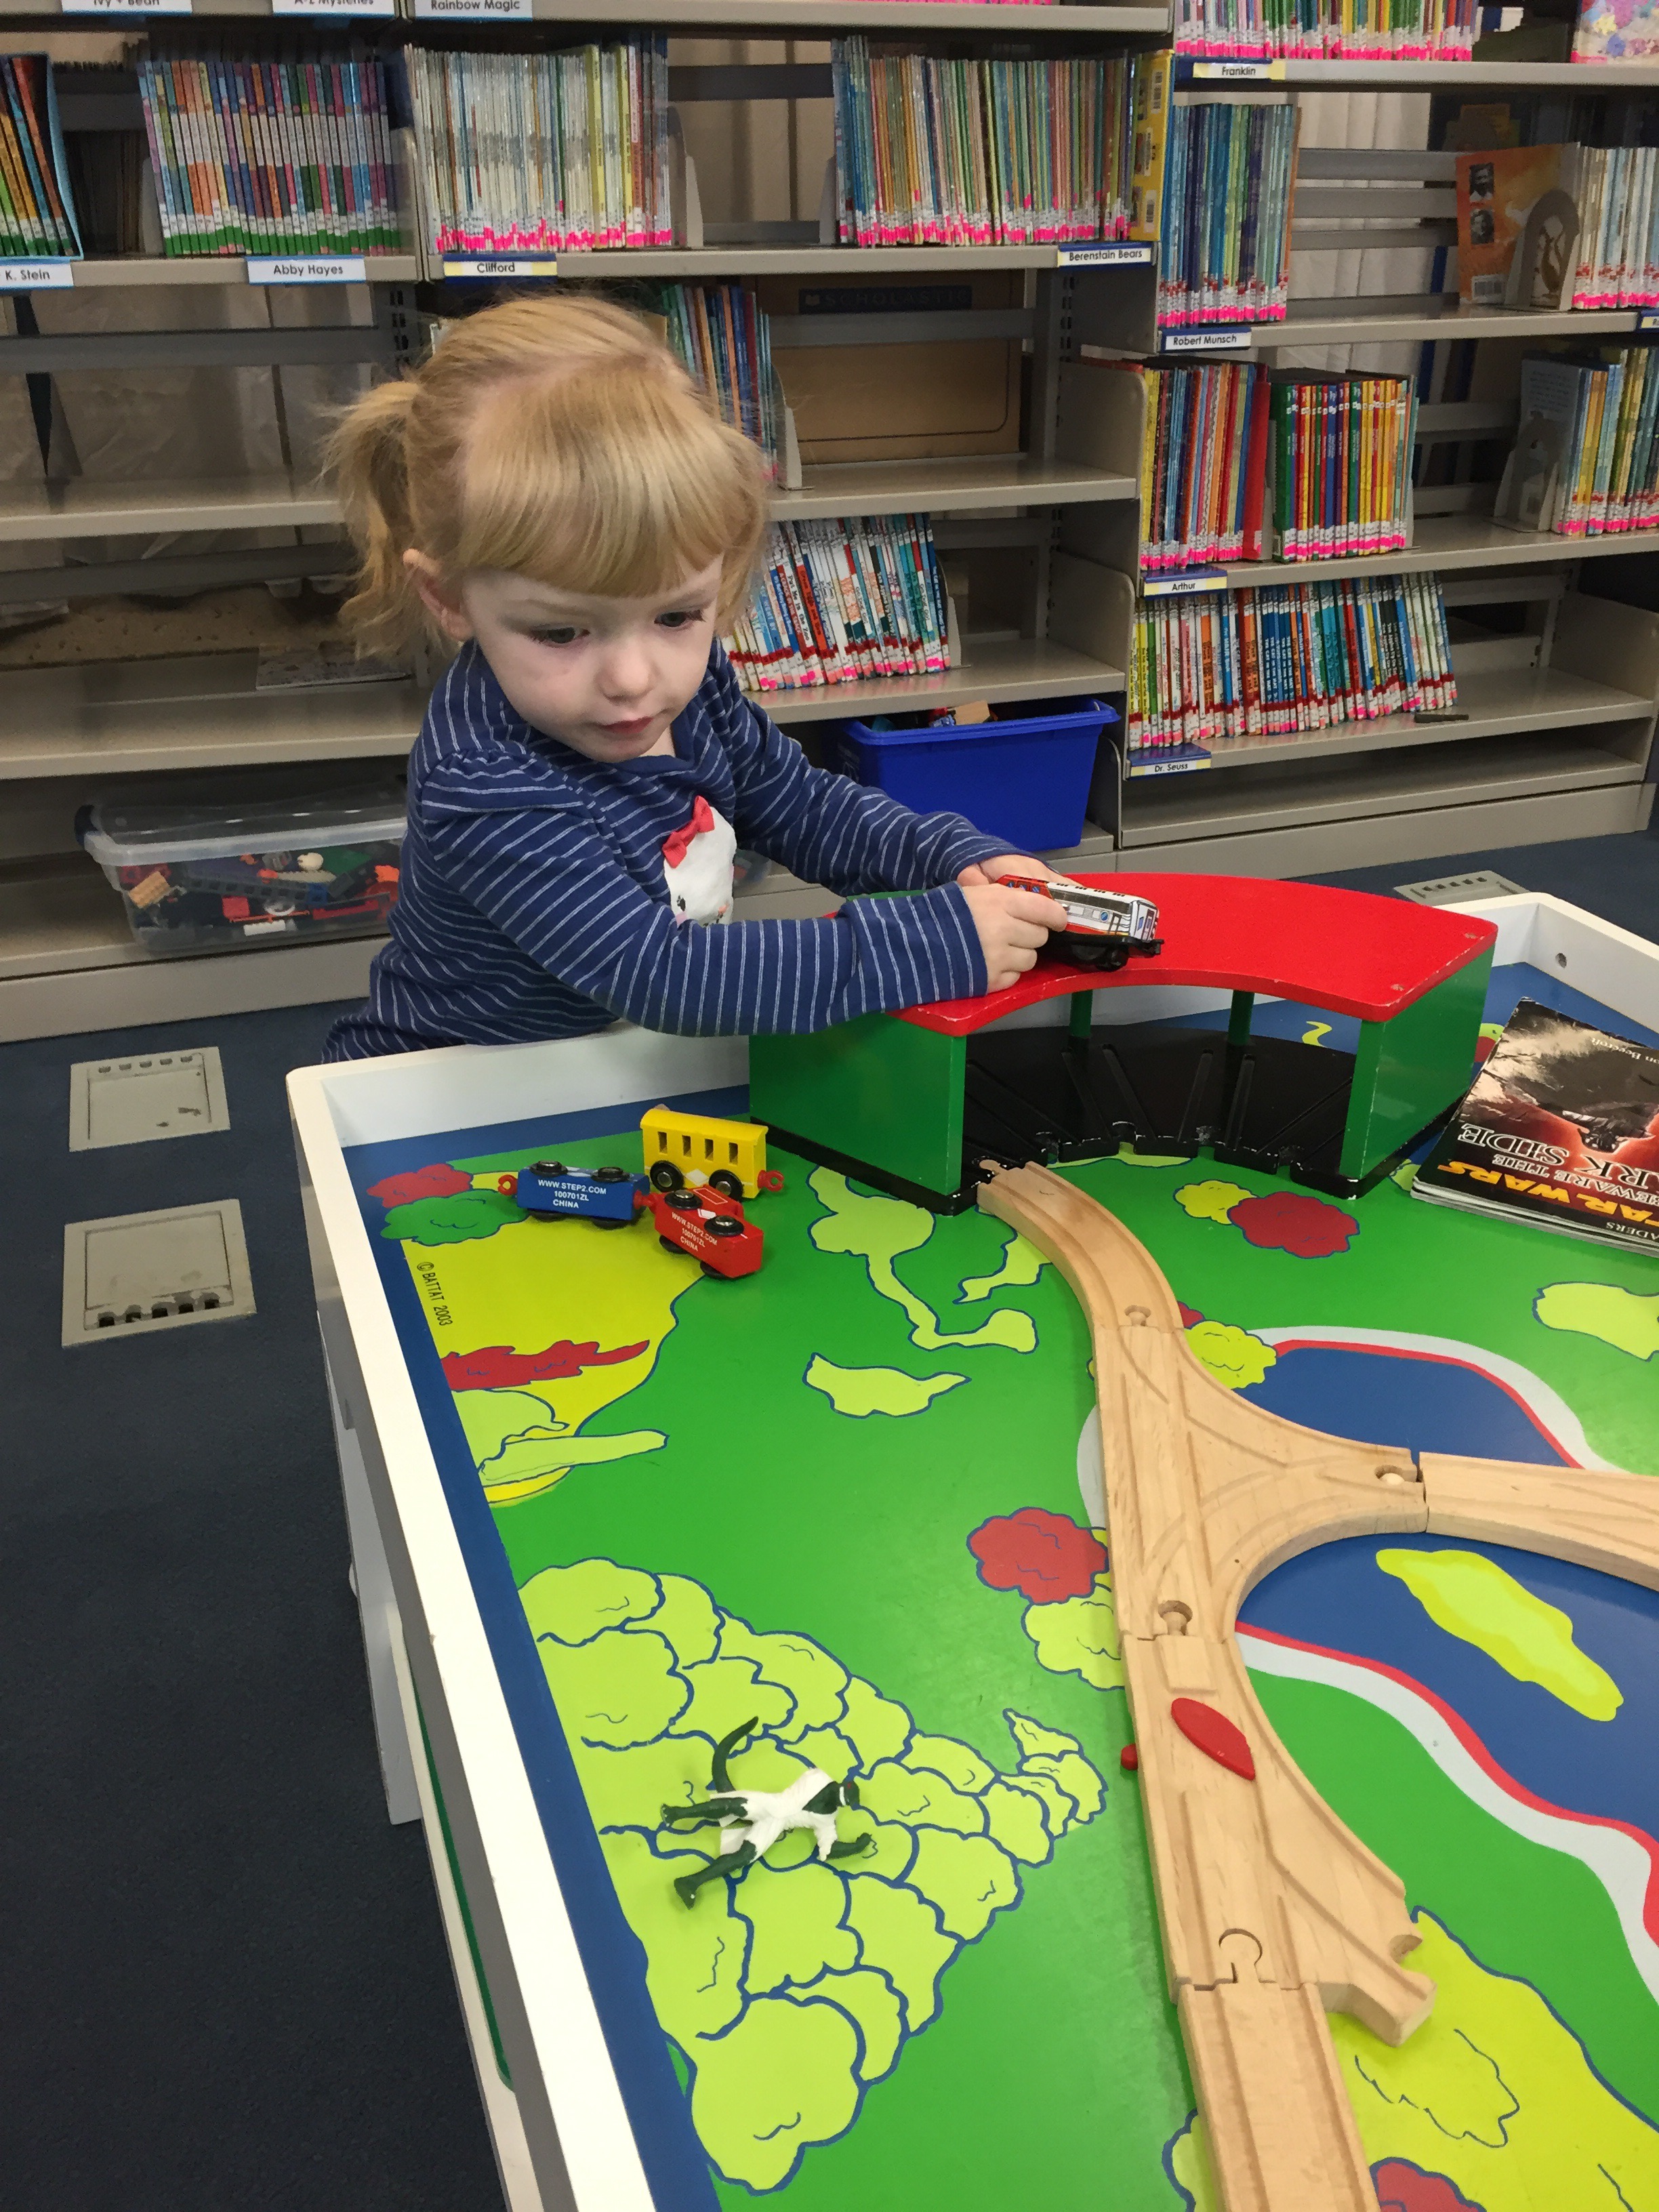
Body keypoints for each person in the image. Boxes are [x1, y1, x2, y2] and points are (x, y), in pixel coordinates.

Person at [319, 295, 1068, 1061]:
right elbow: (663, 973)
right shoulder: (484, 781)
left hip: (611, 1065)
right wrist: (927, 943)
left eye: (676, 615)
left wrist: (945, 858)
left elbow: (799, 805)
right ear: (447, 597)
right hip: (446, 1087)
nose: (633, 678)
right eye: (561, 632)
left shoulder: (696, 683)